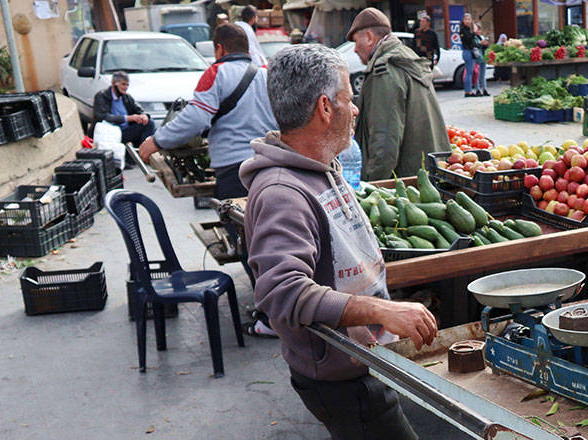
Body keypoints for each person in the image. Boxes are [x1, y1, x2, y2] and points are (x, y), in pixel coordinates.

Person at [242, 44, 437, 440]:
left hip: (364, 359)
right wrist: (380, 310)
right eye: (349, 98)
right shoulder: (283, 192)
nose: (356, 109)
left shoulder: (320, 169)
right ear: (325, 109)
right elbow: (282, 292)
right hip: (343, 379)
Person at [139, 23, 276, 200]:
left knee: (239, 224)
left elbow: (195, 119)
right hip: (271, 165)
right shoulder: (267, 76)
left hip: (235, 170)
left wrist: (156, 140)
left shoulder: (216, 73)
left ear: (219, 49)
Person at [347, 8, 452, 181]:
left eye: (356, 41)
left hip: (407, 182)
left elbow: (385, 139)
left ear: (369, 37)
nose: (355, 49)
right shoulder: (405, 56)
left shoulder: (385, 70)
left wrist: (373, 185)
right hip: (426, 174)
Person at [92, 71, 154, 149]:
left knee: (149, 123)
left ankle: (144, 150)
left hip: (125, 131)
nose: (126, 87)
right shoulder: (102, 96)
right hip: (110, 133)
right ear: (114, 83)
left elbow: (139, 110)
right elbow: (103, 116)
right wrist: (128, 118)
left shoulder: (126, 97)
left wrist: (144, 116)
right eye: (123, 84)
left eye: (127, 84)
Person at [459, 13, 486, 97]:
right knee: (469, 72)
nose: (467, 21)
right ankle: (468, 91)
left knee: (470, 72)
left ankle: (469, 90)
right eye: (466, 19)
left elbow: (472, 41)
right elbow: (468, 39)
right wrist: (474, 32)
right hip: (467, 51)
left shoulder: (467, 29)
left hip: (470, 51)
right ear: (463, 20)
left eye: (469, 19)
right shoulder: (463, 29)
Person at [471, 22, 490, 96]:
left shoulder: (482, 37)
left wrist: (486, 44)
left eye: (479, 30)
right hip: (476, 57)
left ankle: (485, 89)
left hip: (483, 57)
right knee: (477, 75)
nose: (478, 32)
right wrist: (480, 44)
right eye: (477, 30)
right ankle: (477, 89)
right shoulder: (473, 37)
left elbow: (485, 47)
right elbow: (474, 46)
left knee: (483, 75)